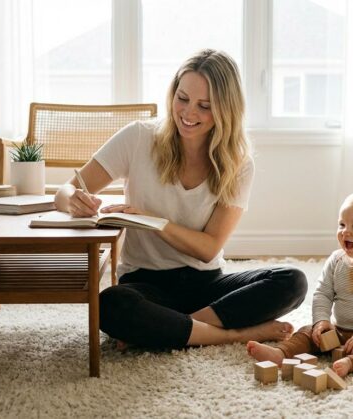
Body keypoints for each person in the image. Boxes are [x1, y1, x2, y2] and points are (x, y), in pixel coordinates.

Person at [54, 49, 307, 350]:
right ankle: (232, 335)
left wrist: (153, 222)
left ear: (226, 110)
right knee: (111, 305)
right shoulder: (138, 137)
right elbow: (63, 192)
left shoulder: (238, 162)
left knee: (293, 281)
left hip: (206, 283)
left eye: (205, 106)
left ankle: (172, 326)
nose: (188, 114)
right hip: (144, 281)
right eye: (182, 98)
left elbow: (208, 248)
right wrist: (75, 200)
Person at [247, 188, 353, 377]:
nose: (345, 231)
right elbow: (323, 293)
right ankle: (281, 353)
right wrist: (321, 321)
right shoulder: (336, 260)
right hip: (338, 331)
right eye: (341, 224)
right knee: (306, 333)